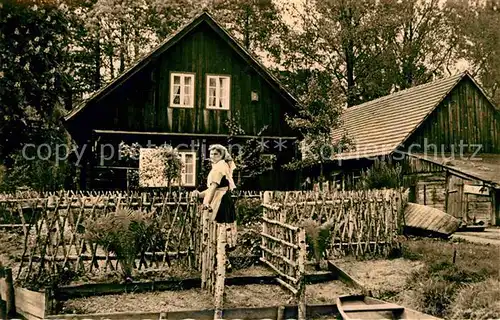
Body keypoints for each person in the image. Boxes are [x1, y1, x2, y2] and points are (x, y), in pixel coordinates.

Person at [192, 144, 237, 252]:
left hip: (221, 201)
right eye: (211, 154)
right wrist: (200, 194)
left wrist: (206, 203)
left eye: (216, 154)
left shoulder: (220, 168)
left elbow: (213, 188)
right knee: (220, 229)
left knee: (220, 228)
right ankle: (223, 259)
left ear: (221, 155)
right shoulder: (220, 166)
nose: (212, 156)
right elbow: (212, 189)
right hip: (222, 197)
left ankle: (223, 259)